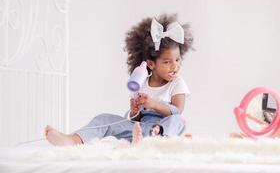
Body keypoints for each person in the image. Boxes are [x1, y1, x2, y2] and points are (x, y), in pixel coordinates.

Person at [45, 14, 194, 146]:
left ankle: (155, 140)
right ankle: (73, 140)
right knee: (104, 119)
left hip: (163, 129)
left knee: (179, 121)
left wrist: (153, 104)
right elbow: (137, 118)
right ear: (150, 64)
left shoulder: (177, 83)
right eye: (167, 62)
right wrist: (135, 111)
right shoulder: (141, 82)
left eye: (177, 59)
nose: (175, 65)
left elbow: (177, 111)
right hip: (140, 128)